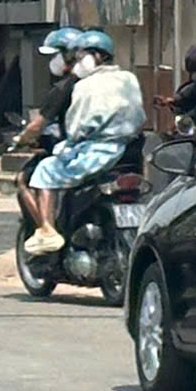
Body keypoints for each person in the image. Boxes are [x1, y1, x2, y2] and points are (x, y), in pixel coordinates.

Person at [22, 29, 145, 255]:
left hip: (95, 152)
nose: (77, 62)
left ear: (93, 56)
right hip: (130, 150)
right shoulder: (129, 78)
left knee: (45, 170)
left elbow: (76, 127)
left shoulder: (84, 86)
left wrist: (69, 142)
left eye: (80, 57)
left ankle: (48, 232)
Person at [11, 26, 88, 152]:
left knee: (43, 169)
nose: (51, 61)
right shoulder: (102, 80)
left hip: (78, 151)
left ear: (69, 55)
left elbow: (37, 126)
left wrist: (21, 139)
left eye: (54, 56)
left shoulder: (64, 88)